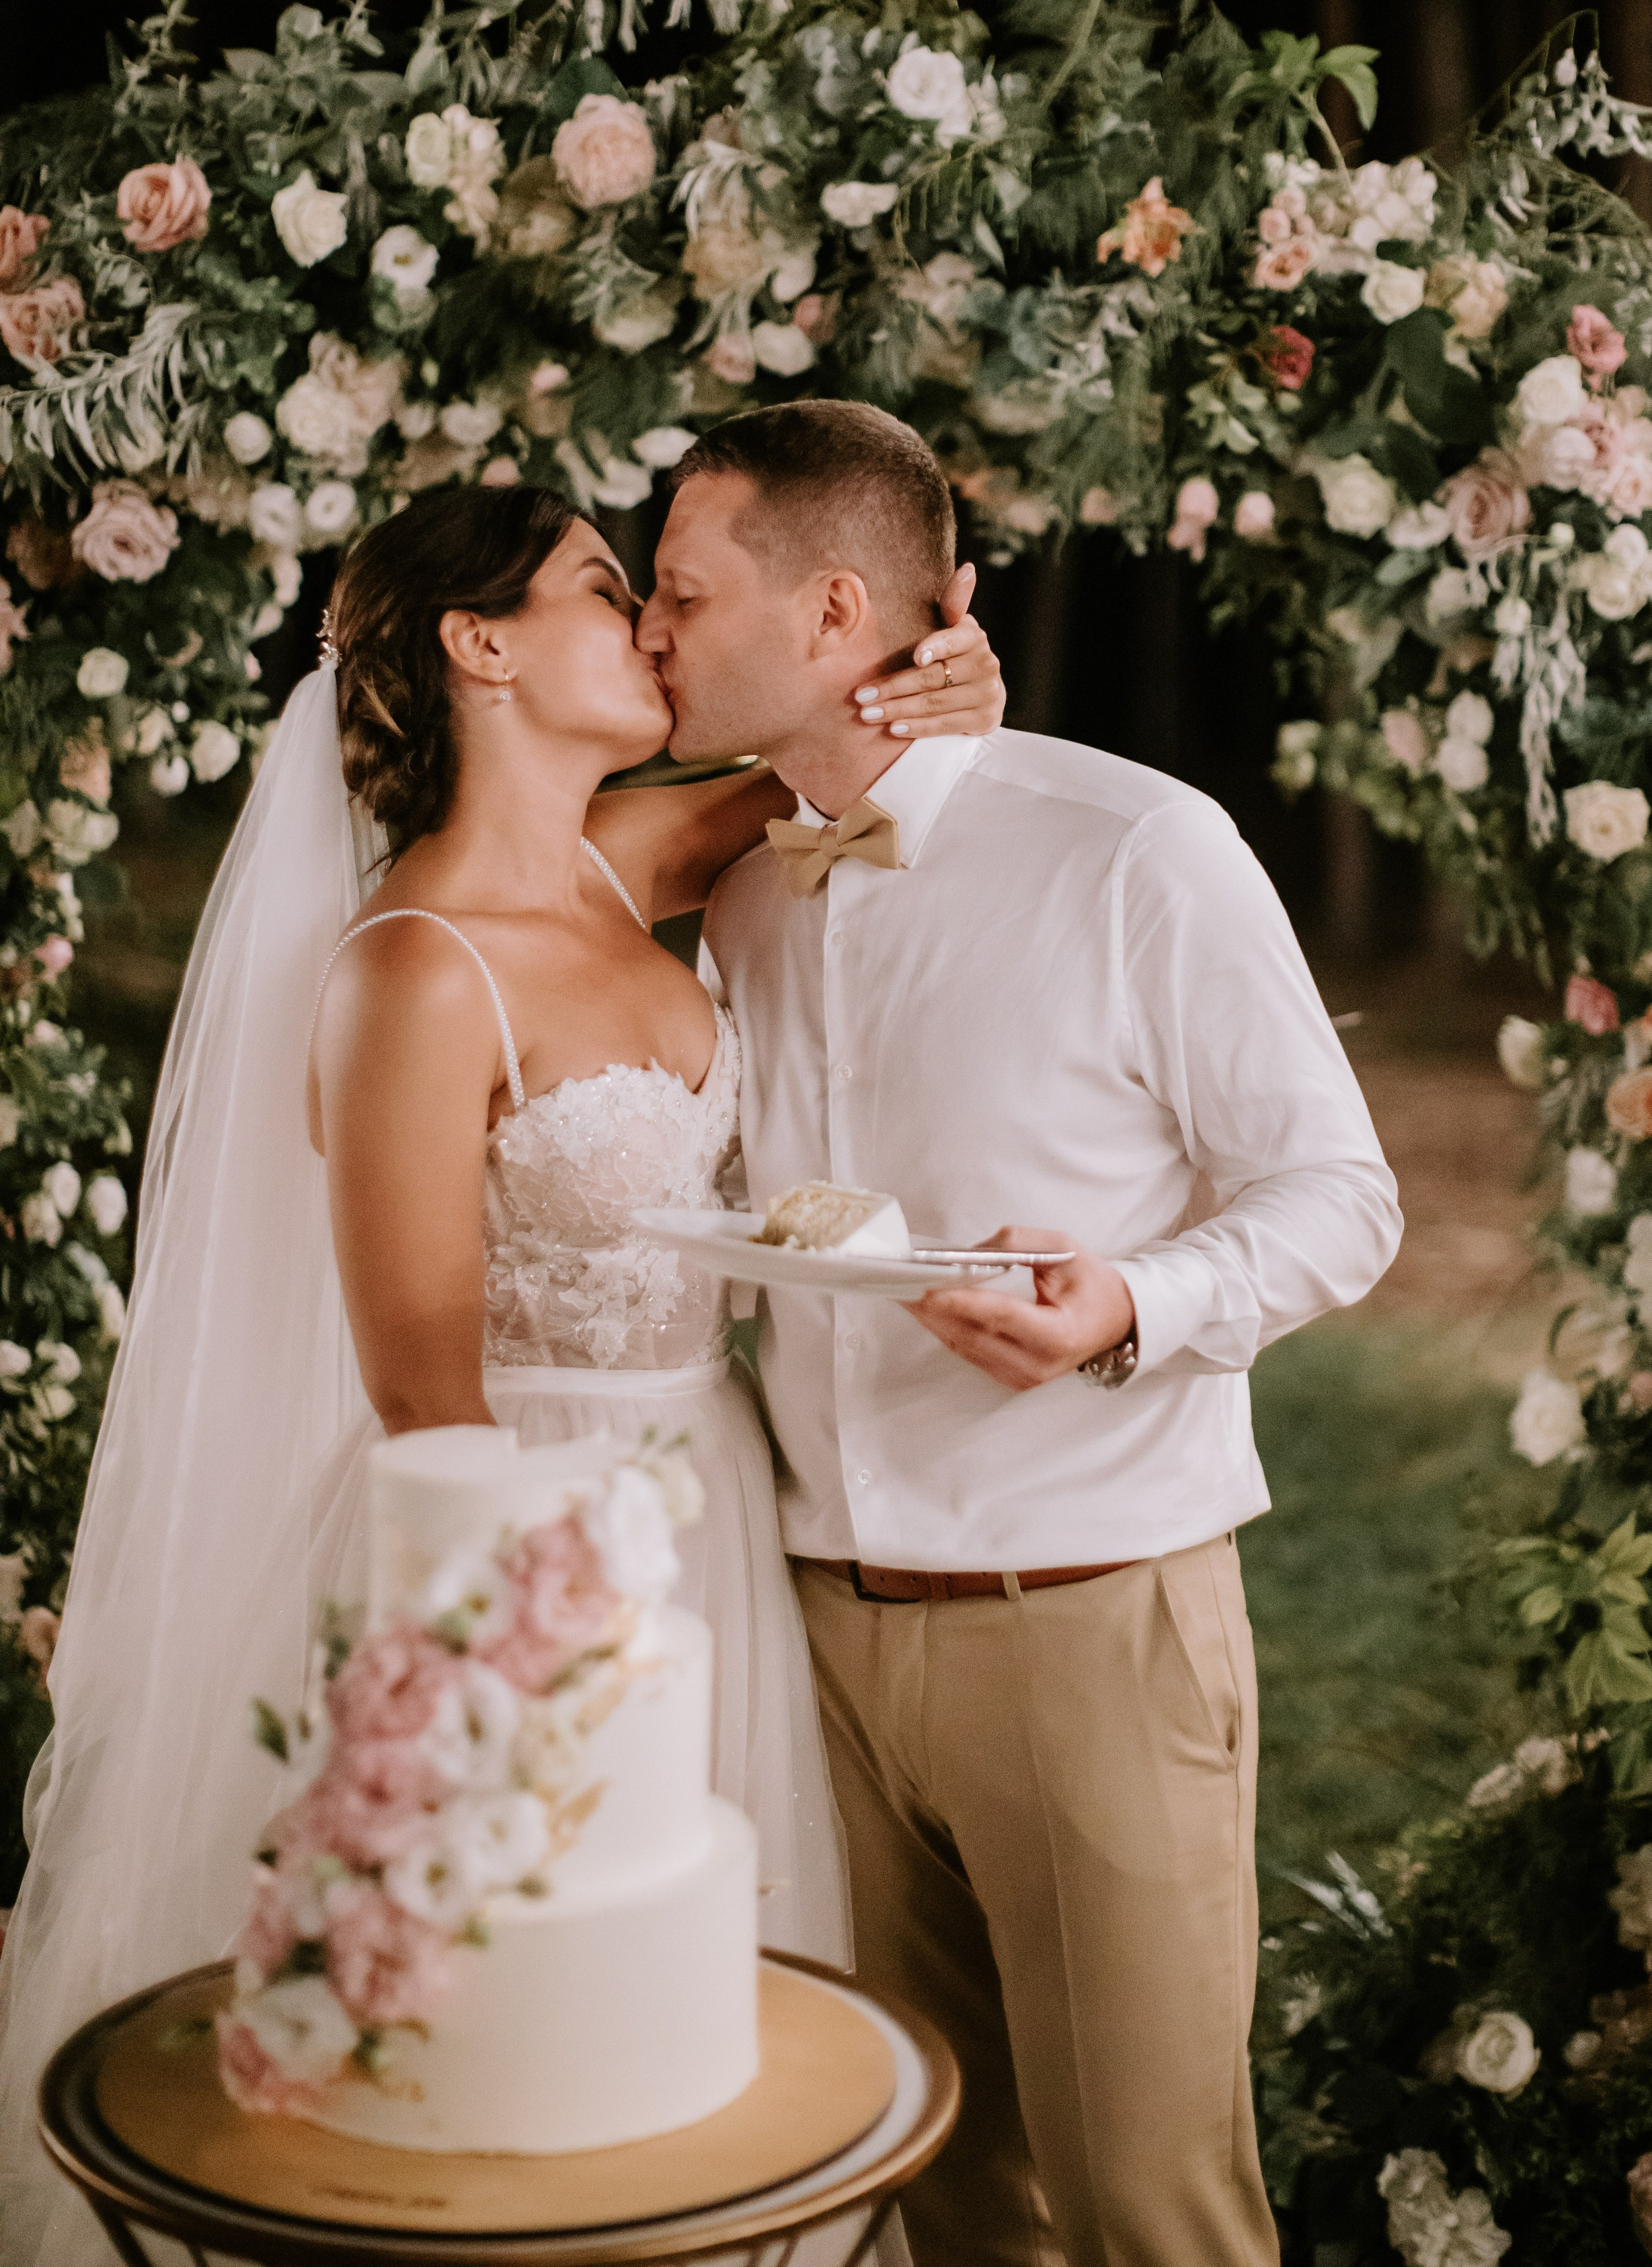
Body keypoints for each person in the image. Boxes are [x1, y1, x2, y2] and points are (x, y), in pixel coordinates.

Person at [0, 479, 1004, 2267]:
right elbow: (422, 1402)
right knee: (521, 2062)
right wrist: (542, 1676)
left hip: (720, 1516)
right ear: (480, 645)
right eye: (609, 589)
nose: (650, 628)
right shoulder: (411, 967)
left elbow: (836, 748)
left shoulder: (629, 866)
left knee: (702, 2051)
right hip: (523, 1560)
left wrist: (951, 685)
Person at [635, 399, 1405, 2267]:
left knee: (1153, 2203)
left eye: (677, 589)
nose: (651, 629)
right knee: (943, 2197)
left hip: (1084, 1620)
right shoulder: (735, 886)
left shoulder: (1135, 849)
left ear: (833, 613)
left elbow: (1344, 1199)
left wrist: (1137, 1300)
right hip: (813, 1628)